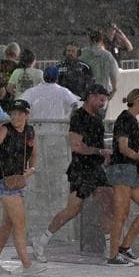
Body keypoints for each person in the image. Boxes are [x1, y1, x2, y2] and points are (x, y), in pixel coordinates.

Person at [32, 85, 113, 263]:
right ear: (90, 96)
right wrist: (99, 152)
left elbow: (96, 142)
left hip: (96, 168)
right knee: (72, 210)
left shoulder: (97, 117)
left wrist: (103, 154)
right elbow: (76, 145)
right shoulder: (78, 117)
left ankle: (110, 249)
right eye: (100, 99)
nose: (102, 103)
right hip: (81, 169)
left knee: (107, 203)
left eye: (104, 100)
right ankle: (42, 240)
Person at [0, 99, 44, 275]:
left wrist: (31, 169)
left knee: (7, 224)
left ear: (26, 115)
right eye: (13, 113)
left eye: (19, 113)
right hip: (5, 182)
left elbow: (34, 153)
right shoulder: (4, 130)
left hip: (18, 182)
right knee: (19, 222)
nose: (15, 116)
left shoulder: (30, 132)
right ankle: (27, 264)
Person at [106, 89, 139, 266]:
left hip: (131, 171)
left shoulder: (131, 120)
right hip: (122, 169)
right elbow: (123, 148)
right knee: (121, 214)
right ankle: (113, 255)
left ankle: (125, 247)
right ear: (137, 101)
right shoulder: (125, 119)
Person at [81, 29, 120, 95]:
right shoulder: (108, 55)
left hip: (87, 91)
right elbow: (114, 74)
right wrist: (114, 90)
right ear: (101, 40)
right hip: (103, 91)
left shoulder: (82, 53)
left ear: (90, 40)